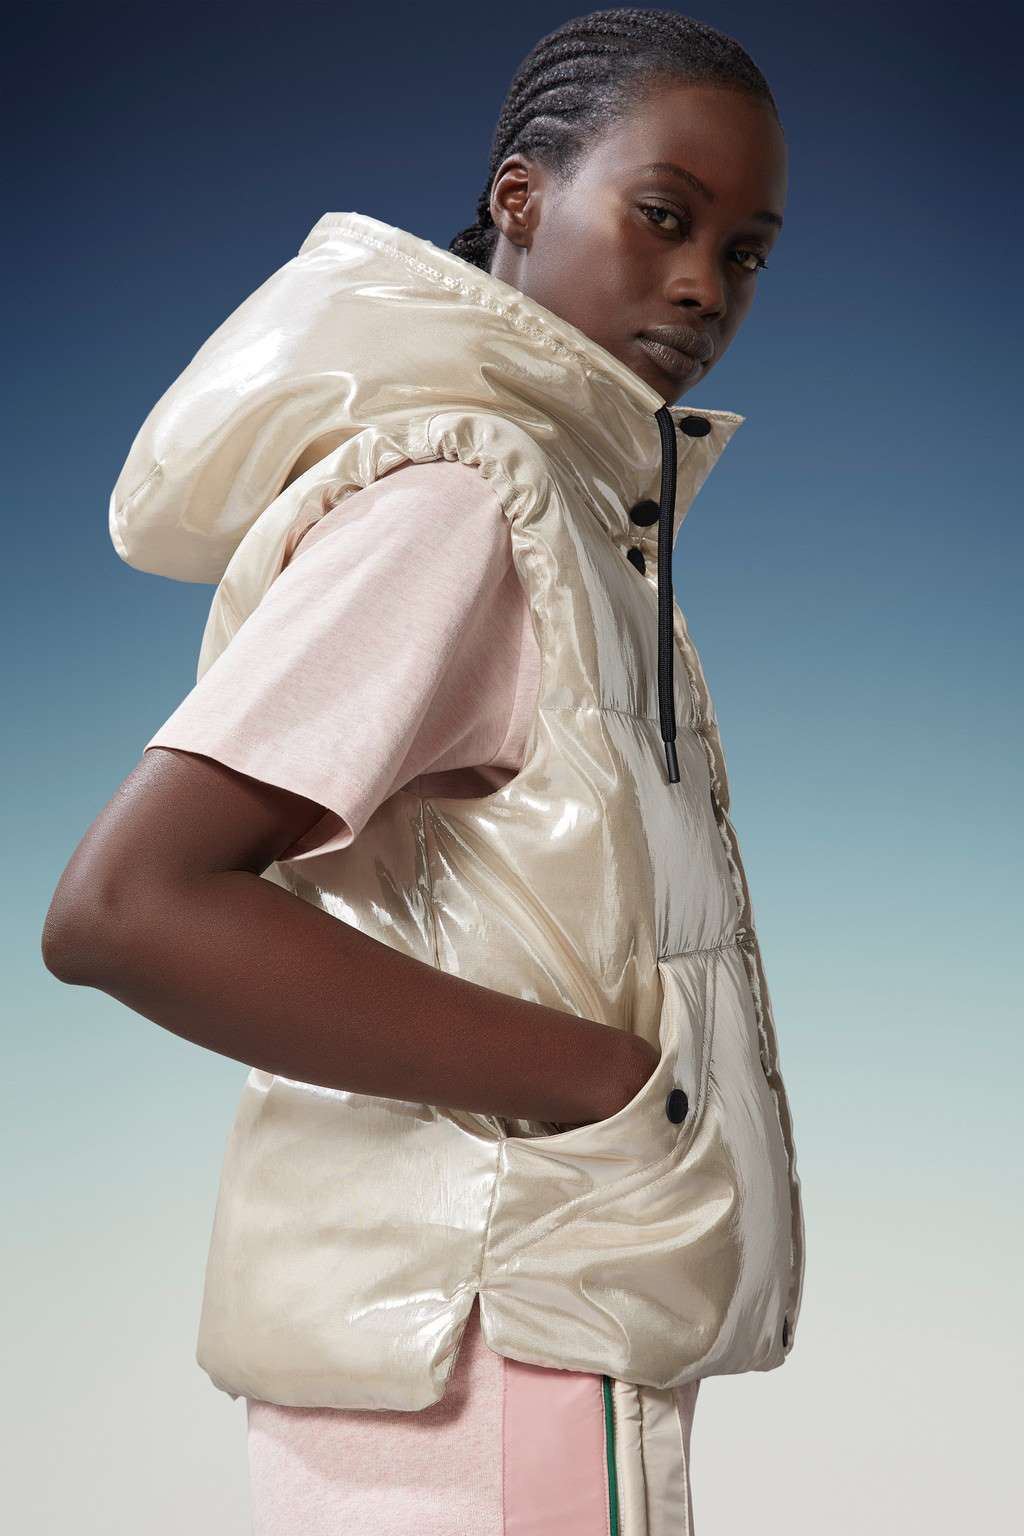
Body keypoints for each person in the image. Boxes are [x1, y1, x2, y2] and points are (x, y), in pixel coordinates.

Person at [42, 9, 803, 1533]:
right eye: (664, 217)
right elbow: (128, 907)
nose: (702, 286)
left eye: (744, 252)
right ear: (522, 197)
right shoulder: (466, 500)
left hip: (486, 1319)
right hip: (498, 1328)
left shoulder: (562, 510)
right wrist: (601, 1091)